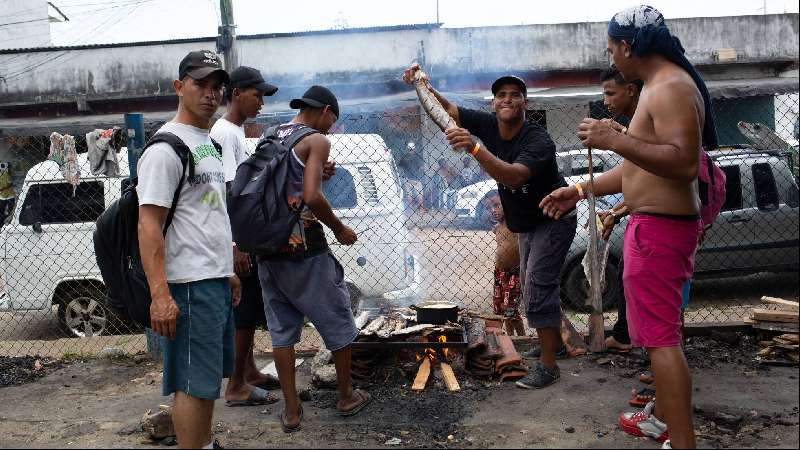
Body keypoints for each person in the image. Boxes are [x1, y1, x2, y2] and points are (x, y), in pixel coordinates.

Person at [540, 6, 718, 448]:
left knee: (661, 344)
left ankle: (681, 442)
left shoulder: (672, 86)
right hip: (651, 226)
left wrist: (613, 138)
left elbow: (680, 163)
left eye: (611, 49)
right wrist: (580, 189)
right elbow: (639, 171)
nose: (612, 58)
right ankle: (673, 434)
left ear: (627, 46)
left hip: (660, 231)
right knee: (659, 343)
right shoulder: (663, 86)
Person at [403, 65, 577, 390]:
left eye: (515, 96)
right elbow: (448, 112)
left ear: (526, 103)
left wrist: (474, 148)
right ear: (493, 103)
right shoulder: (490, 123)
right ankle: (555, 344)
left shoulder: (538, 138)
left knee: (539, 287)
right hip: (527, 222)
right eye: (501, 95)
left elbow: (513, 175)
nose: (507, 100)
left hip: (553, 219)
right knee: (530, 286)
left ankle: (549, 366)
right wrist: (423, 85)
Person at [138, 50, 238, 450]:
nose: (211, 94)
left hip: (211, 278)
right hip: (189, 285)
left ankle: (205, 444)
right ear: (179, 87)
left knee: (207, 380)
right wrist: (160, 295)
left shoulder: (207, 143)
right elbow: (149, 224)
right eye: (200, 84)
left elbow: (210, 212)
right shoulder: (166, 149)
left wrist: (227, 267)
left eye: (217, 87)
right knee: (193, 383)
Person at [256, 85, 371, 433]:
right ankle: (346, 395)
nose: (331, 128)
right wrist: (338, 228)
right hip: (304, 249)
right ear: (324, 111)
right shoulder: (316, 141)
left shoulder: (272, 135)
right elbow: (309, 196)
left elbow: (279, 188)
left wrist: (317, 173)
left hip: (267, 249)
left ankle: (291, 411)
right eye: (332, 121)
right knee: (338, 320)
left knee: (282, 331)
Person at [210, 65, 280, 407]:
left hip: (241, 235)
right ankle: (236, 386)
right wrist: (235, 246)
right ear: (237, 93)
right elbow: (225, 192)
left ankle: (249, 371)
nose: (261, 104)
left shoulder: (235, 132)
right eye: (258, 95)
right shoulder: (225, 133)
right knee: (244, 311)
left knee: (249, 311)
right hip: (236, 239)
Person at [598, 65, 642, 353]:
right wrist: (616, 212)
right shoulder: (635, 123)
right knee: (631, 277)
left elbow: (643, 175)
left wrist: (617, 139)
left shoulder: (646, 118)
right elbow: (640, 180)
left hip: (659, 222)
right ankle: (630, 338)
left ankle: (649, 351)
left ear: (631, 90)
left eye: (610, 93)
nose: (605, 101)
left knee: (644, 286)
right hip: (644, 218)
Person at [490, 195, 525, 336]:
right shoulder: (497, 228)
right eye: (491, 207)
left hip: (514, 273)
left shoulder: (516, 225)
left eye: (497, 206)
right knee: (501, 309)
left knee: (510, 308)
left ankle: (522, 337)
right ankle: (511, 338)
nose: (493, 210)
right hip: (500, 274)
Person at [397, 142, 425, 211]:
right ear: (414, 148)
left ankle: (410, 209)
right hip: (416, 179)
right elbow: (421, 168)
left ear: (408, 149)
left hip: (407, 179)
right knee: (420, 194)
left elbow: (400, 167)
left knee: (409, 194)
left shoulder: (404, 157)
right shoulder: (417, 157)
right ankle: (421, 209)